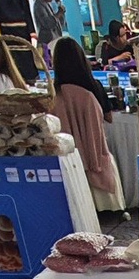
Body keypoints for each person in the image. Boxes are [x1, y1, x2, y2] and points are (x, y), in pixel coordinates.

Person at [50, 37, 120, 208]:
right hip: (95, 157)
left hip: (67, 162)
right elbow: (109, 118)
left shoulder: (52, 94)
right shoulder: (93, 87)